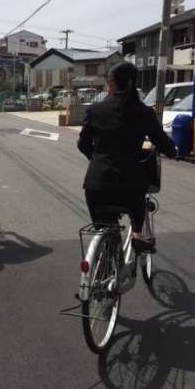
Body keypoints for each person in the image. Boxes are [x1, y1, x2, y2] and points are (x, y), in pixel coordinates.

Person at [77, 61, 176, 253]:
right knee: (137, 206)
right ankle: (137, 235)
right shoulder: (144, 112)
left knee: (104, 227)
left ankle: (104, 259)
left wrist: (98, 159)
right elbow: (162, 143)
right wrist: (174, 153)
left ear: (111, 84)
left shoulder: (94, 110)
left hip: (96, 185)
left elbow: (82, 144)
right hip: (129, 185)